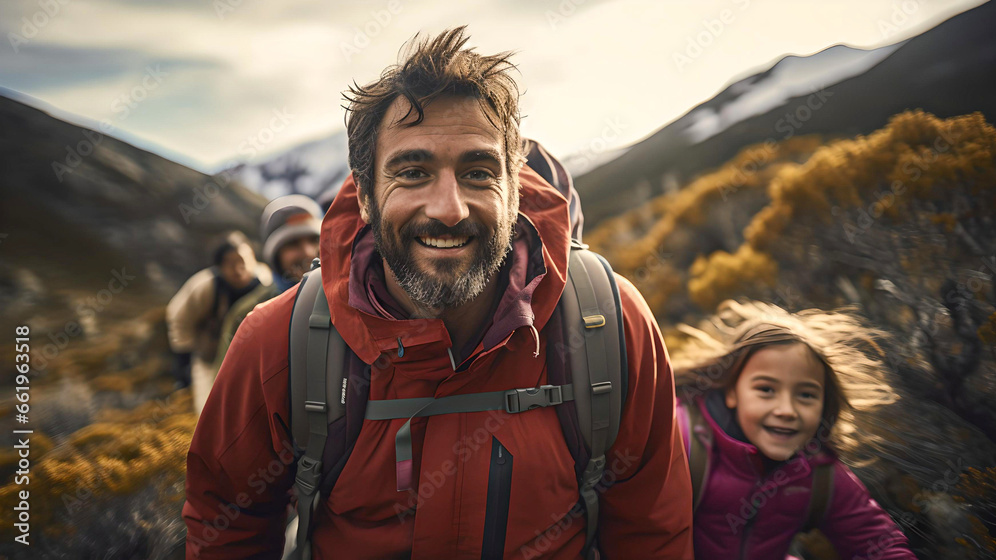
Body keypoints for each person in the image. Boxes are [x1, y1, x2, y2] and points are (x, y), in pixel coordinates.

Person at [183, 27, 694, 559]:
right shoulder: (278, 340)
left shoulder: (608, 323)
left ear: (514, 189)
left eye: (478, 172)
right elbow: (227, 528)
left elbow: (652, 532)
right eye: (413, 172)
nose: (448, 208)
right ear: (364, 195)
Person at [673, 300, 917, 560]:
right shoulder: (682, 443)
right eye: (766, 390)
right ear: (732, 391)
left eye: (806, 395)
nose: (787, 410)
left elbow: (879, 543)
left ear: (824, 403)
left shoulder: (818, 472)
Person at [165, 230, 272, 416]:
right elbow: (179, 318)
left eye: (243, 261)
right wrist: (183, 360)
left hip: (253, 358)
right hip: (210, 357)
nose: (239, 269)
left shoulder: (266, 281)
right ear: (219, 267)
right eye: (230, 264)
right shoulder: (204, 287)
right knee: (209, 410)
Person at [212, 195, 322, 370]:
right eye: (292, 243)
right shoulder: (246, 315)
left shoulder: (353, 297)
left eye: (314, 240)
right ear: (275, 256)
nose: (308, 252)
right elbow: (226, 389)